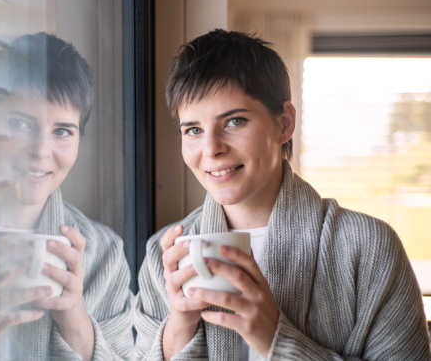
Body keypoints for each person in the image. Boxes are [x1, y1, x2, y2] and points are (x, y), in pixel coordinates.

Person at [134, 29, 430, 360]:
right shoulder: (166, 258)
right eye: (193, 130)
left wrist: (275, 338)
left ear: (284, 124)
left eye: (234, 121)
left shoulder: (370, 248)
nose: (211, 149)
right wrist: (180, 325)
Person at [0, 33, 133, 360]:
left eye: (62, 131)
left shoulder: (105, 255)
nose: (41, 151)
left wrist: (75, 320)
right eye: (19, 123)